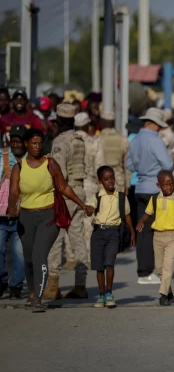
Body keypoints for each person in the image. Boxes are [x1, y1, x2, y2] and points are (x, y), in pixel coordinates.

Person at [7, 128, 93, 312]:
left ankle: (38, 297)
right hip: (26, 218)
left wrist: (82, 205)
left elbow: (63, 187)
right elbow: (14, 192)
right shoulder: (19, 167)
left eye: (40, 143)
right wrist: (11, 208)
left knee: (39, 255)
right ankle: (32, 291)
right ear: (26, 145)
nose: (37, 146)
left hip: (48, 216)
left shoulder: (50, 163)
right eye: (33, 143)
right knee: (28, 259)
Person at [43, 103, 92, 300]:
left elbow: (58, 173)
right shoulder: (79, 140)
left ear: (59, 121)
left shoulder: (60, 142)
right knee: (78, 238)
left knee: (56, 239)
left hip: (64, 194)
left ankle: (53, 285)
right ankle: (80, 285)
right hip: (79, 192)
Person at [126, 108, 174, 285]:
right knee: (156, 232)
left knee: (143, 231)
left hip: (139, 188)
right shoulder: (156, 141)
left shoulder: (135, 139)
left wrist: (143, 168)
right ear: (154, 124)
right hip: (154, 189)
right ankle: (149, 272)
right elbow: (168, 165)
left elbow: (129, 165)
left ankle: (144, 271)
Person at [136, 170, 174, 306]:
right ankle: (168, 290)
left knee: (168, 266)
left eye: (172, 184)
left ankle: (163, 295)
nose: (169, 187)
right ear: (158, 185)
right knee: (159, 268)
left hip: (173, 236)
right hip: (158, 236)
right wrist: (141, 222)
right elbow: (147, 213)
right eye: (166, 185)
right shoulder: (155, 199)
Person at [88, 166, 135, 308]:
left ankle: (109, 292)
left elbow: (127, 216)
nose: (110, 181)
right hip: (98, 233)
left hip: (114, 233)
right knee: (99, 266)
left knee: (110, 263)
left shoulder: (121, 197)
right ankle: (101, 294)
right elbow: (90, 208)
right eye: (106, 179)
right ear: (100, 181)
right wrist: (88, 209)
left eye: (112, 178)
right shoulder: (97, 197)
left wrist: (132, 233)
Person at [0, 125, 27, 300]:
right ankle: (2, 280)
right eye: (13, 140)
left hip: (22, 215)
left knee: (19, 253)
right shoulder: (2, 156)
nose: (16, 144)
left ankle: (16, 286)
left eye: (19, 141)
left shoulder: (31, 160)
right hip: (1, 214)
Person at [75, 112, 105, 264]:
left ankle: (72, 257)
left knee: (72, 221)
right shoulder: (94, 142)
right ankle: (88, 256)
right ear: (87, 126)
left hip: (71, 186)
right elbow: (100, 165)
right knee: (89, 222)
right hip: (90, 185)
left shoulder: (68, 141)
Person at [98, 112, 130, 194]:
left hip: (102, 181)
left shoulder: (98, 140)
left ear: (102, 121)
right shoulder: (123, 139)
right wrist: (127, 185)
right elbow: (128, 164)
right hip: (119, 180)